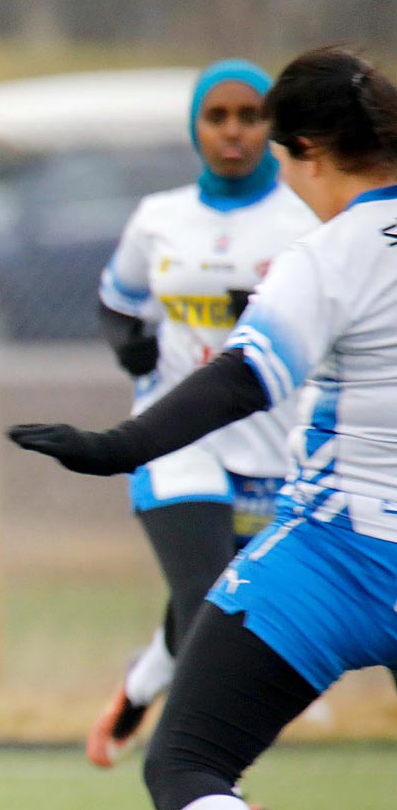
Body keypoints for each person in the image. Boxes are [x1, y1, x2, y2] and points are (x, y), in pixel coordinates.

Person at [7, 44, 397, 810]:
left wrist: (112, 445)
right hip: (323, 535)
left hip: (341, 556)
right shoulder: (183, 225)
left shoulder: (333, 250)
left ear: (304, 150)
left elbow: (245, 379)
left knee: (189, 757)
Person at [87, 60, 317, 770]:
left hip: (273, 444)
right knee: (206, 591)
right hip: (173, 435)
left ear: (271, 127)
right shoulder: (160, 217)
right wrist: (129, 345)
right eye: (217, 117)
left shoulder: (308, 221)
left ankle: (137, 690)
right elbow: (119, 297)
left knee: (233, 601)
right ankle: (203, 771)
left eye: (249, 116)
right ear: (196, 126)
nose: (233, 132)